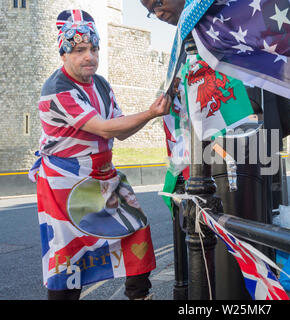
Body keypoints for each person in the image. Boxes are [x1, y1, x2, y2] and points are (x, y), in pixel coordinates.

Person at [30, 9, 171, 300]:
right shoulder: (57, 90)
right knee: (68, 260)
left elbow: (120, 132)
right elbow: (104, 129)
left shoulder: (102, 84)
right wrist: (150, 112)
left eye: (93, 48)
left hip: (103, 177)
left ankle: (140, 296)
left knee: (137, 229)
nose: (89, 56)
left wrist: (151, 113)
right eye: (80, 50)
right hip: (64, 185)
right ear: (64, 54)